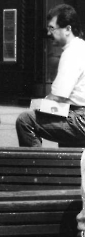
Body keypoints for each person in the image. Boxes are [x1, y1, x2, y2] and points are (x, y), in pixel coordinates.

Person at [16, 4, 85, 147]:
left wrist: (40, 104)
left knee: (25, 120)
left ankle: (36, 167)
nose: (48, 33)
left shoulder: (71, 53)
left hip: (79, 119)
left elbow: (59, 96)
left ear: (67, 29)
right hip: (78, 115)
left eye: (52, 28)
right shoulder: (81, 47)